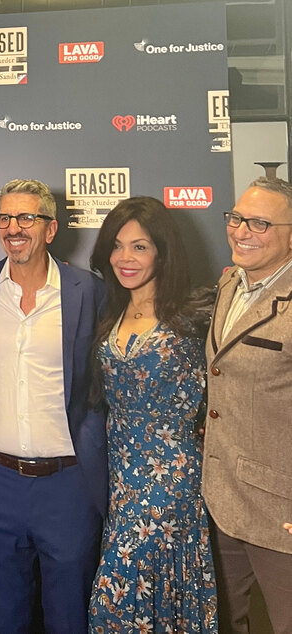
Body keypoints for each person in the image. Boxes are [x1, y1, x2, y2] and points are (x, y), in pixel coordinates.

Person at [0, 179, 107, 633]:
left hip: (66, 484)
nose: (13, 228)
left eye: (26, 218)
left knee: (69, 616)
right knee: (4, 614)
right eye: (4, 218)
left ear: (50, 228)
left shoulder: (89, 291)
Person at [86, 197, 217, 632]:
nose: (126, 257)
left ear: (162, 250)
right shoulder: (108, 311)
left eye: (140, 247)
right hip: (120, 479)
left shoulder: (196, 314)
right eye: (118, 245)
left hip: (171, 482)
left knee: (116, 596)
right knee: (139, 603)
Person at [203, 176, 292, 634]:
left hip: (282, 510)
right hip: (221, 500)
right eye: (237, 218)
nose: (241, 231)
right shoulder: (230, 284)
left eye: (259, 223)